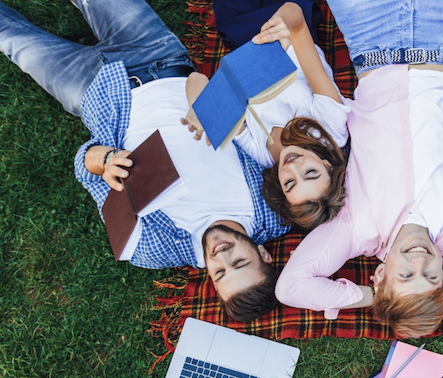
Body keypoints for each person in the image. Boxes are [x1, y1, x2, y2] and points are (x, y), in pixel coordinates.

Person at [0, 0, 289, 322]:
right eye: (239, 262)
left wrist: (106, 160)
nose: (222, 257)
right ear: (263, 254)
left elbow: (86, 169)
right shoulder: (275, 207)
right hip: (159, 57)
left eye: (220, 273)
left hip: (96, 94)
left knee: (12, 38)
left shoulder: (153, 249)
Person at [275, 0, 443, 337]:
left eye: (406, 276)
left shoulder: (358, 228)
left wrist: (376, 297)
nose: (420, 262)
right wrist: (437, 306)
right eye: (432, 277)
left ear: (380, 275)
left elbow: (290, 287)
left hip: (371, 34)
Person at [181, 2, 351, 230]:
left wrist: (199, 110)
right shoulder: (330, 129)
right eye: (310, 172)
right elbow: (297, 20)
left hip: (242, 37)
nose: (293, 167)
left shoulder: (263, 155)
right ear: (328, 166)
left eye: (290, 183)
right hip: (285, 21)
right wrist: (279, 22)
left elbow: (197, 79)